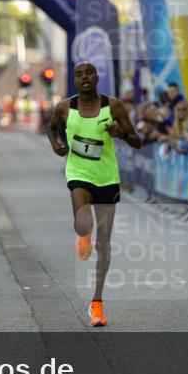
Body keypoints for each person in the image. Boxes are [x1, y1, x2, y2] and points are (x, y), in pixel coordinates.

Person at [46, 62, 142, 327]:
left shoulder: (113, 106)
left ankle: (97, 304)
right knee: (82, 218)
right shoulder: (65, 107)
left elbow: (137, 140)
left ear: (96, 77)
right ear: (75, 80)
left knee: (104, 245)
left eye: (89, 73)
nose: (84, 77)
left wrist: (120, 133)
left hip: (107, 177)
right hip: (78, 172)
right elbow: (51, 127)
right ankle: (82, 235)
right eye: (79, 74)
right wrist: (56, 144)